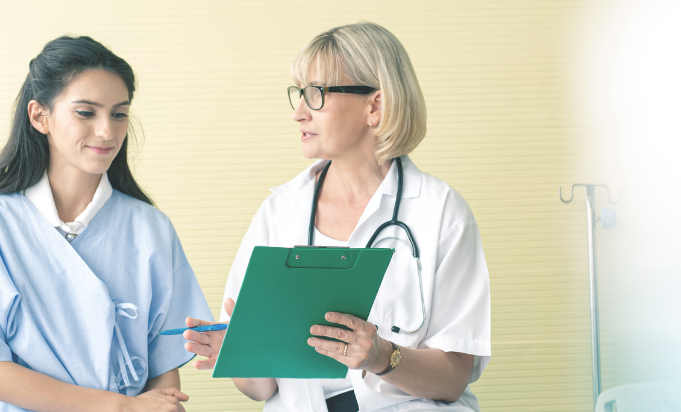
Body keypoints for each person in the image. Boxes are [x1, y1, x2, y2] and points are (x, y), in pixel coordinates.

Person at [183, 22, 491, 412]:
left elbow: (452, 380)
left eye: (317, 94)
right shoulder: (279, 212)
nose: (298, 114)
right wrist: (241, 351)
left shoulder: (441, 212)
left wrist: (382, 356)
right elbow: (259, 389)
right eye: (299, 94)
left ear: (374, 106)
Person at [0, 35, 213, 412]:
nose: (106, 132)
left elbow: (163, 366)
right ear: (39, 115)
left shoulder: (151, 227)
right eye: (86, 112)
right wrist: (121, 407)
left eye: (118, 113)